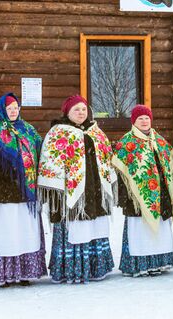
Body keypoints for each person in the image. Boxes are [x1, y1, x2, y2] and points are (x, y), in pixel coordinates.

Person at [38, 95, 117, 283]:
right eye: (76, 110)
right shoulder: (58, 133)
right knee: (75, 227)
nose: (81, 113)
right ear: (67, 112)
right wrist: (57, 190)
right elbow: (51, 161)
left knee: (94, 227)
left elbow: (107, 158)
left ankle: (96, 269)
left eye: (84, 109)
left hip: (95, 191)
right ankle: (71, 270)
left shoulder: (96, 132)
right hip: (71, 193)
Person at [0, 93, 47, 287]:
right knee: (4, 233)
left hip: (25, 193)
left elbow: (41, 154)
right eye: (10, 108)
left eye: (16, 107)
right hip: (1, 193)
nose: (14, 111)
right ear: (1, 110)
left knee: (24, 231)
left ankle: (25, 272)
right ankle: (3, 272)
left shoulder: (28, 131)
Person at [112, 105, 173, 277]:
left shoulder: (160, 141)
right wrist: (126, 196)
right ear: (134, 121)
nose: (144, 121)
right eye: (140, 118)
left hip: (160, 194)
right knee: (140, 231)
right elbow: (121, 172)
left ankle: (159, 261)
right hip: (136, 196)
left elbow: (170, 164)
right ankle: (139, 264)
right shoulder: (127, 142)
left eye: (147, 118)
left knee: (160, 230)